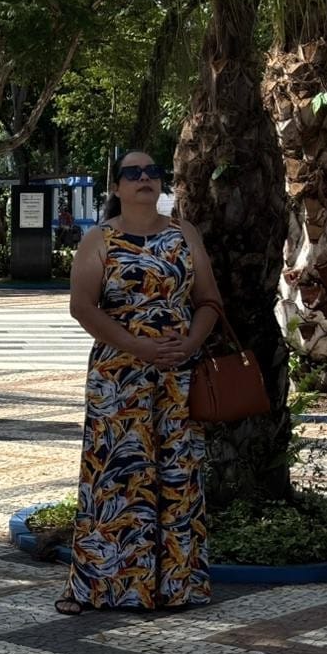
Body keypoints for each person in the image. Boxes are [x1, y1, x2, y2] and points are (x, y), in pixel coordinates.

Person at [55, 151, 221, 615]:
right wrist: (138, 346)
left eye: (152, 172)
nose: (145, 178)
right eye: (133, 173)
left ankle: (176, 586)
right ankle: (105, 587)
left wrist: (189, 342)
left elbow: (209, 300)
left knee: (177, 475)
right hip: (120, 378)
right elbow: (82, 307)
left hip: (176, 378)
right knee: (117, 477)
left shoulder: (184, 234)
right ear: (118, 187)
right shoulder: (99, 239)